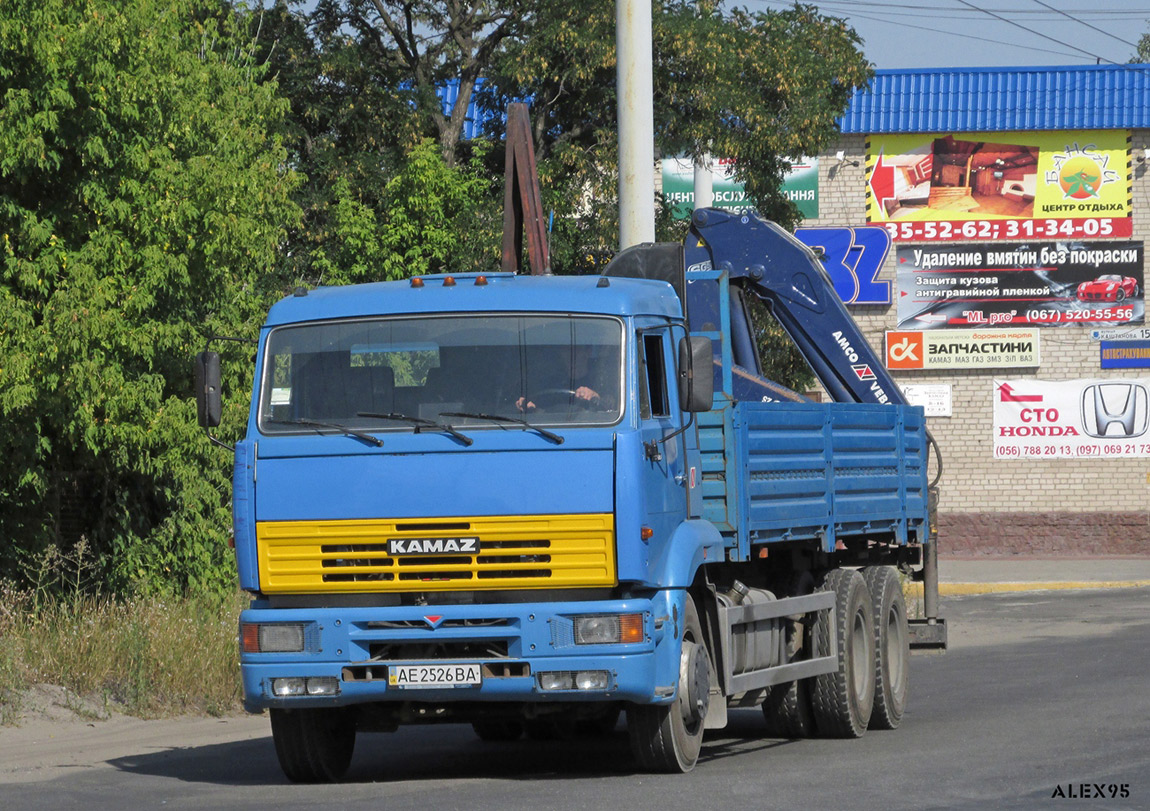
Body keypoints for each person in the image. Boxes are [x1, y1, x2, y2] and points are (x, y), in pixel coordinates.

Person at [517, 344, 614, 412]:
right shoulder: (551, 382)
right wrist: (528, 406)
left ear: (588, 352)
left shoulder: (601, 380)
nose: (571, 354)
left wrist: (595, 397)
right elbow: (540, 408)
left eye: (576, 349)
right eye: (566, 350)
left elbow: (612, 407)